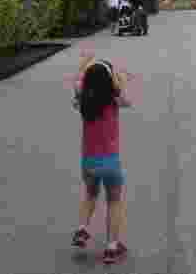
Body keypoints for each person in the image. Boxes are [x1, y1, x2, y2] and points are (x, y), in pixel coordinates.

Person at [71, 55, 132, 264]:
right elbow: (126, 97)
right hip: (110, 163)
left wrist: (83, 68)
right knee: (114, 202)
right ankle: (111, 247)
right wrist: (117, 79)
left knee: (90, 194)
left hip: (88, 162)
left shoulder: (82, 103)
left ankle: (82, 228)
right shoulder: (115, 101)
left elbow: (78, 84)